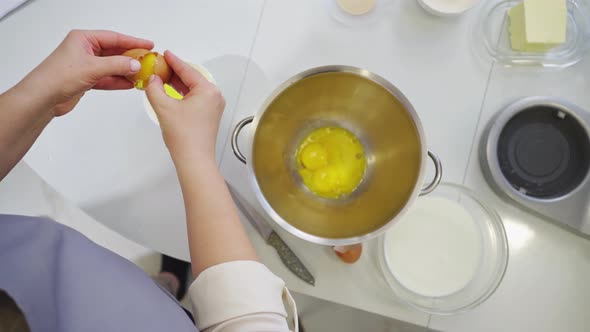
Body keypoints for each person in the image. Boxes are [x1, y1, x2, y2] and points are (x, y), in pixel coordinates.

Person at [0, 30, 297, 331]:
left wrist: (43, 93)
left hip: (95, 278)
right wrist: (196, 156)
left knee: (147, 293)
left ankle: (166, 287)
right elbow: (247, 319)